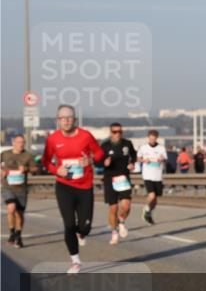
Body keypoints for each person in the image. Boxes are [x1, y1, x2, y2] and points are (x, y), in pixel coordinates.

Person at [42, 104, 105, 274]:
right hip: (64, 187)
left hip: (85, 186)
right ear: (58, 120)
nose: (66, 121)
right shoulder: (53, 139)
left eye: (69, 117)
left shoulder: (85, 136)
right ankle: (75, 261)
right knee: (69, 225)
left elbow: (100, 154)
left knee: (85, 226)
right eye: (63, 118)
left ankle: (82, 234)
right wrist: (57, 170)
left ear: (74, 119)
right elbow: (46, 161)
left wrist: (90, 159)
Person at [100, 122, 137, 245]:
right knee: (113, 208)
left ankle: (121, 222)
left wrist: (132, 163)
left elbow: (134, 155)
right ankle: (114, 232)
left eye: (120, 131)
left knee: (126, 206)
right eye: (115, 132)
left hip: (123, 178)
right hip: (110, 179)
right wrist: (104, 163)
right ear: (111, 133)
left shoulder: (127, 144)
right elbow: (98, 161)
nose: (118, 134)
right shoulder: (105, 146)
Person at [2, 134, 38, 248]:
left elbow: (35, 170)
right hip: (8, 187)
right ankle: (12, 232)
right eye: (18, 142)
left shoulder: (28, 155)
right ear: (13, 142)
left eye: (23, 142)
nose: (20, 144)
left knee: (20, 214)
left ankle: (18, 235)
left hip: (21, 189)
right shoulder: (5, 154)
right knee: (11, 207)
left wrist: (27, 169)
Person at [136, 130, 168, 224]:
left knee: (155, 200)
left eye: (154, 138)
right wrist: (143, 160)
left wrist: (162, 159)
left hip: (158, 176)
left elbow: (165, 159)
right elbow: (138, 158)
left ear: (156, 138)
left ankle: (148, 213)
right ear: (148, 138)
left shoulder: (161, 148)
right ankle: (146, 208)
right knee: (152, 195)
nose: (152, 140)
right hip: (147, 175)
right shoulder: (143, 147)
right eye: (150, 138)